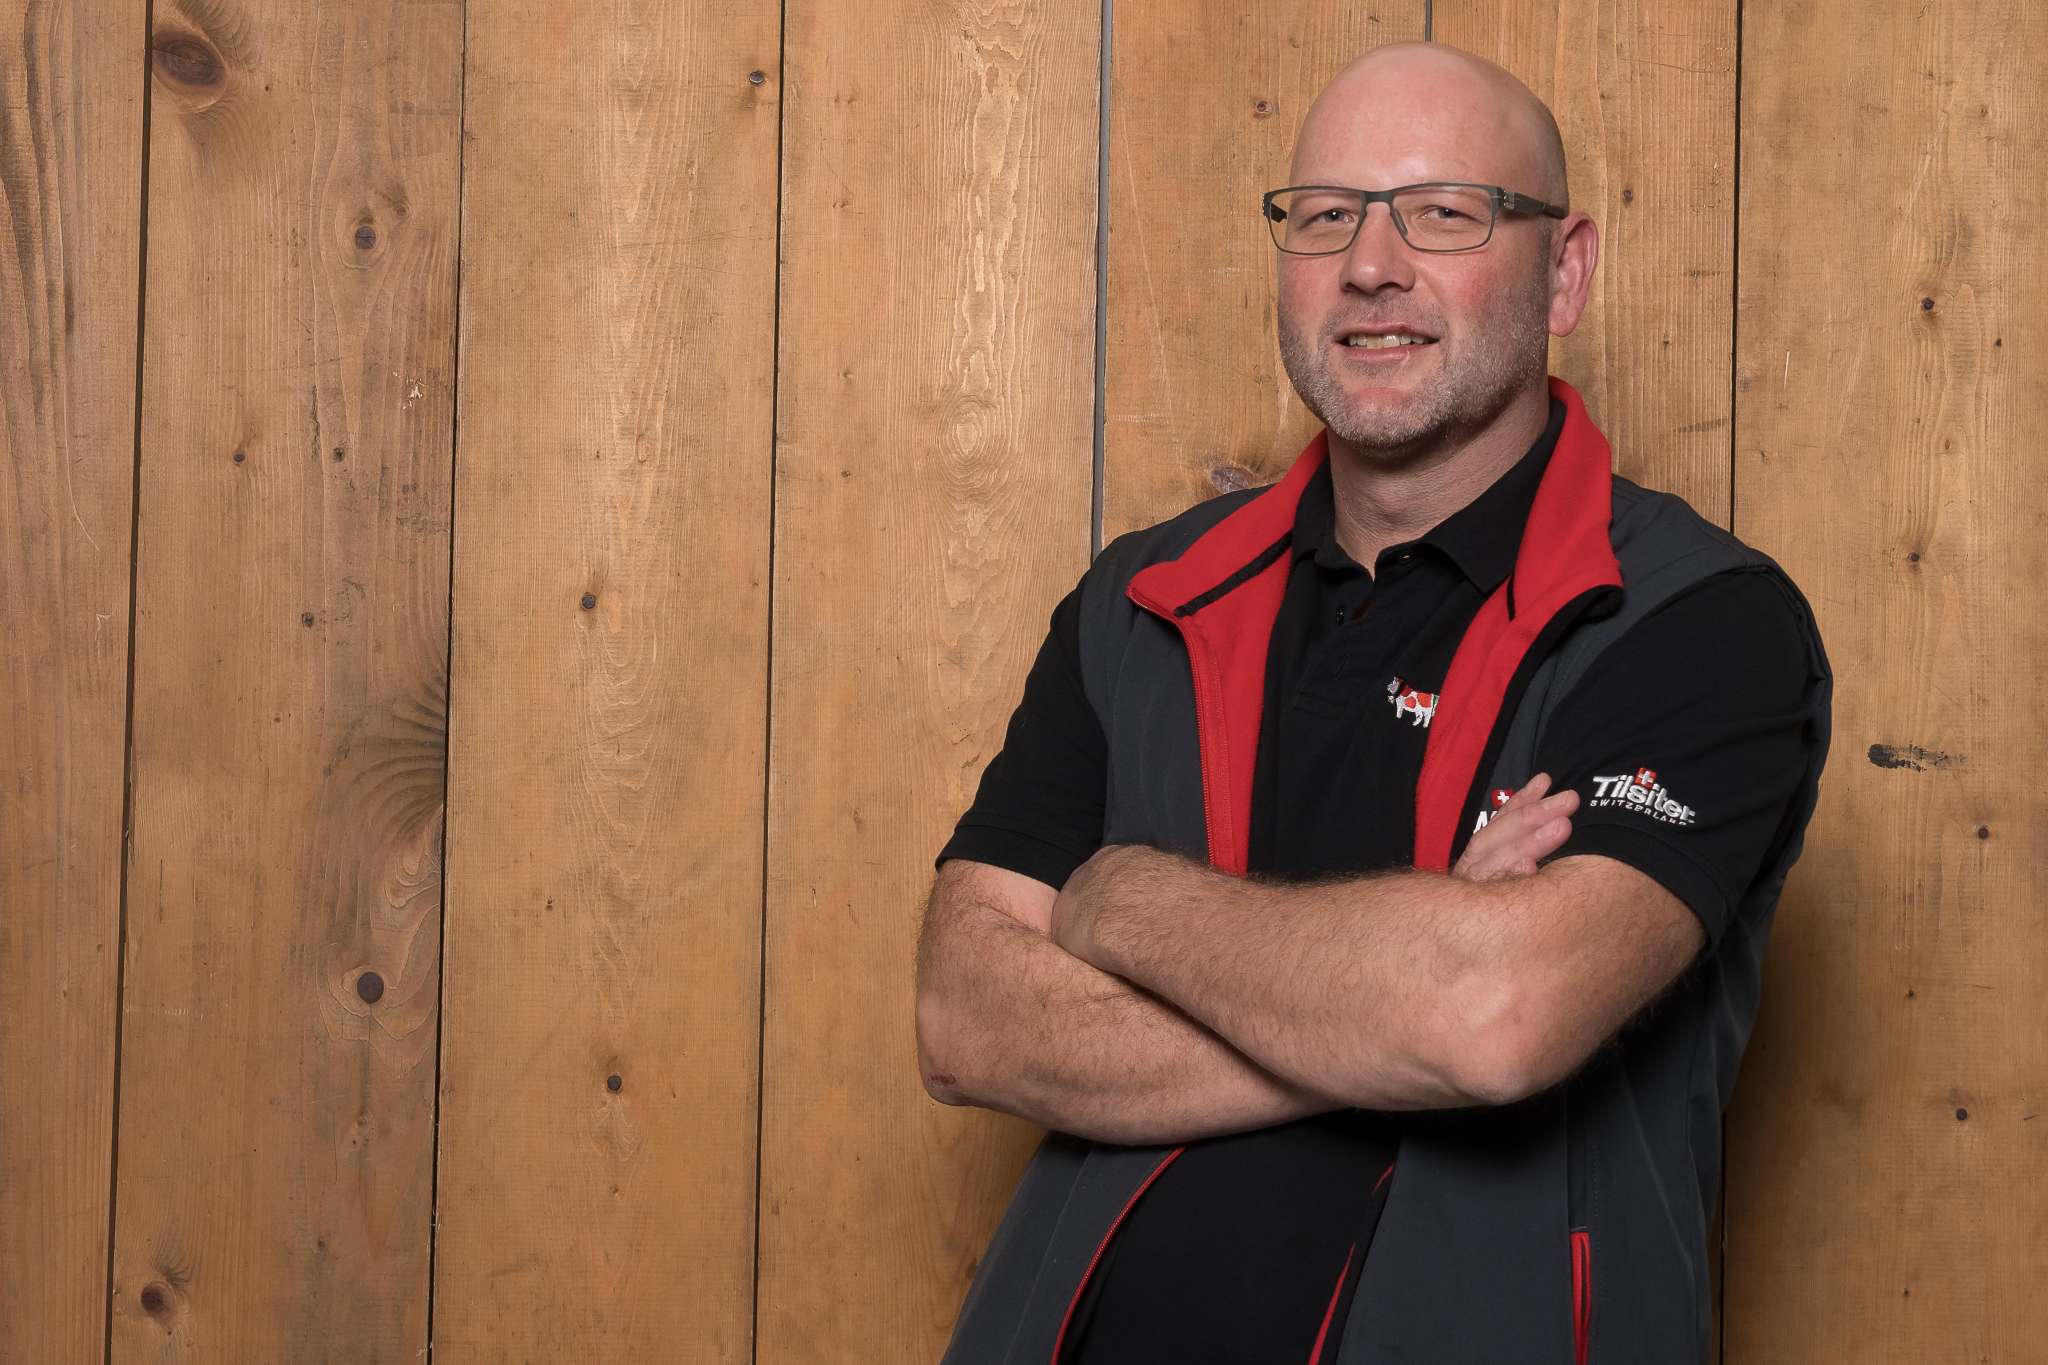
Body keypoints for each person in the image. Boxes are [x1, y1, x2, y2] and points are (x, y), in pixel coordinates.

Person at [915, 40, 1831, 1365]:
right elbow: (966, 1020)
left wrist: (1120, 899)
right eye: (1328, 214)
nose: (1371, 265)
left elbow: (1492, 1018)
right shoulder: (1145, 599)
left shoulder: (1695, 622)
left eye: (1445, 212)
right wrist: (1397, 986)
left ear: (1564, 271)